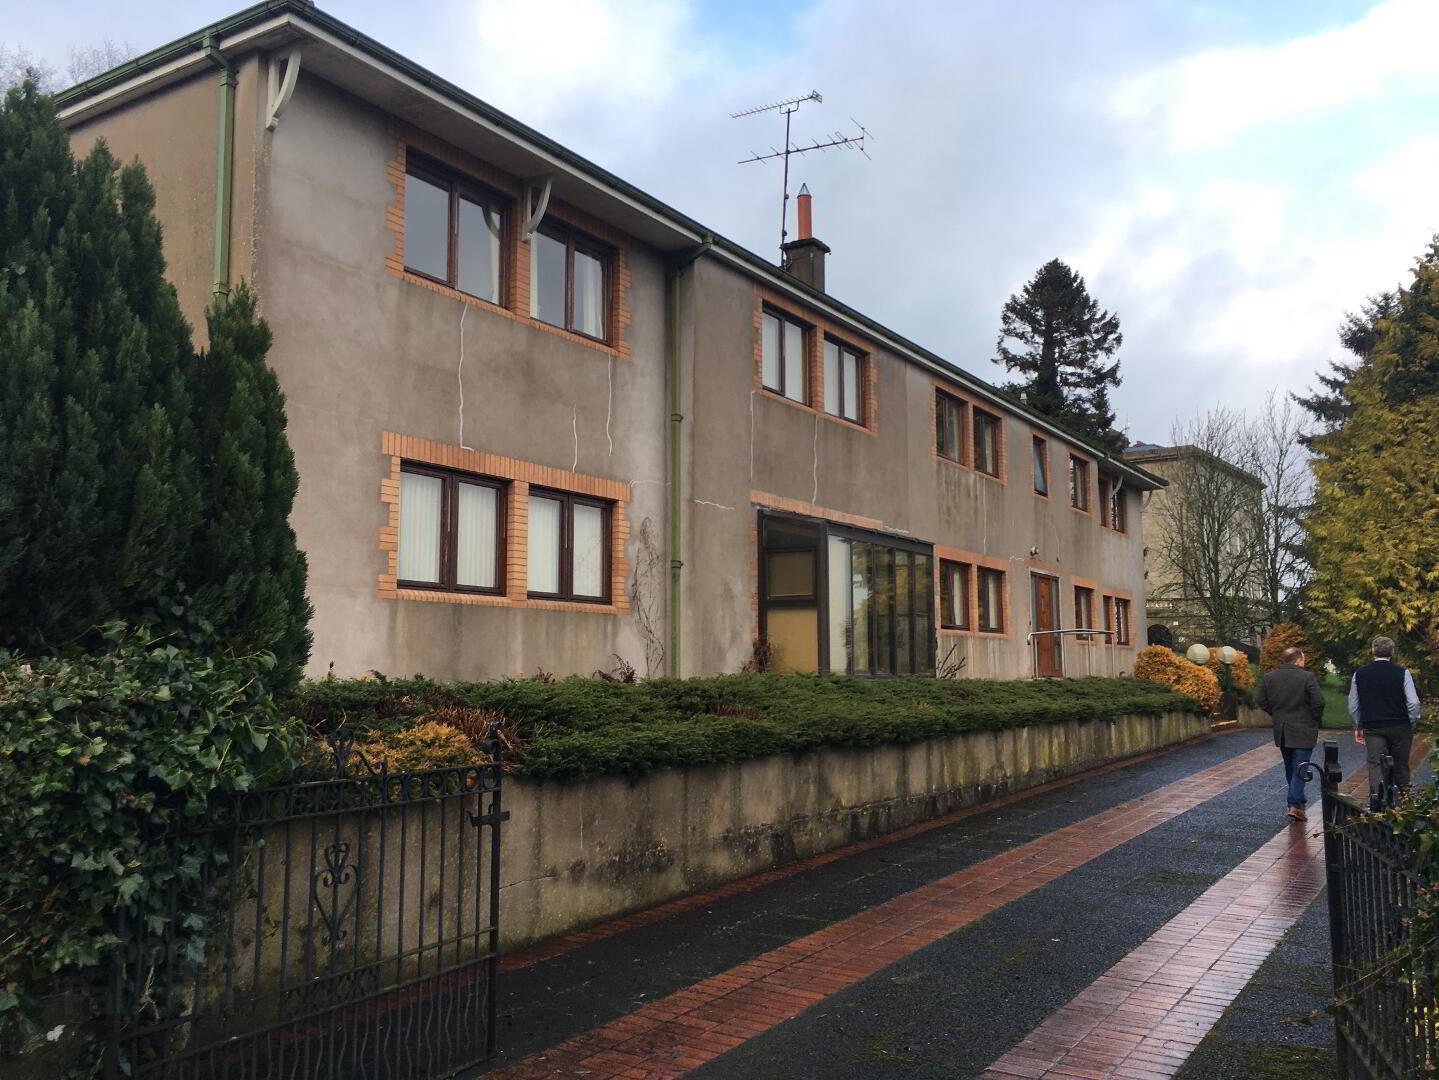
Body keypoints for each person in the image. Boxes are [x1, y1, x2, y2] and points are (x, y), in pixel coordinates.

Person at [1349, 635, 1422, 800]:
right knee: (1401, 765)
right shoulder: (1402, 672)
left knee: (1375, 763)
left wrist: (1357, 726)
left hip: (1373, 726)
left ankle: (1377, 800)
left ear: (1373, 651)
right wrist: (1411, 720)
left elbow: (1353, 704)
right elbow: (1413, 702)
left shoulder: (1360, 674)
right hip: (1400, 726)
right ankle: (1403, 803)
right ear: (1392, 652)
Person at [1258, 646, 1326, 820]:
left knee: (1291, 767)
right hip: (1304, 729)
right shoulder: (1307, 677)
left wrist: (1277, 714)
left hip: (1282, 730)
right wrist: (1313, 718)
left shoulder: (1269, 678)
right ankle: (1295, 804)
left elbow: (1261, 701)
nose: (1304, 663)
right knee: (1301, 766)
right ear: (1298, 660)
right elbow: (1318, 702)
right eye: (1303, 660)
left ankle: (1297, 803)